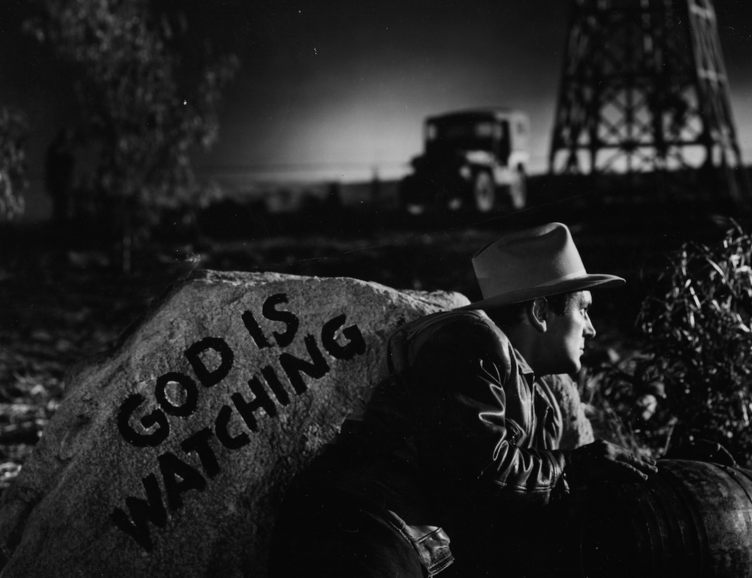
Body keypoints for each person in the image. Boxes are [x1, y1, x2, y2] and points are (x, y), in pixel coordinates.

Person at [270, 222, 657, 578]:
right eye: (584, 310)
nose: (591, 328)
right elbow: (479, 470)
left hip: (394, 538)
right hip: (360, 530)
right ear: (541, 311)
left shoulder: (532, 392)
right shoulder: (472, 340)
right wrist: (575, 466)